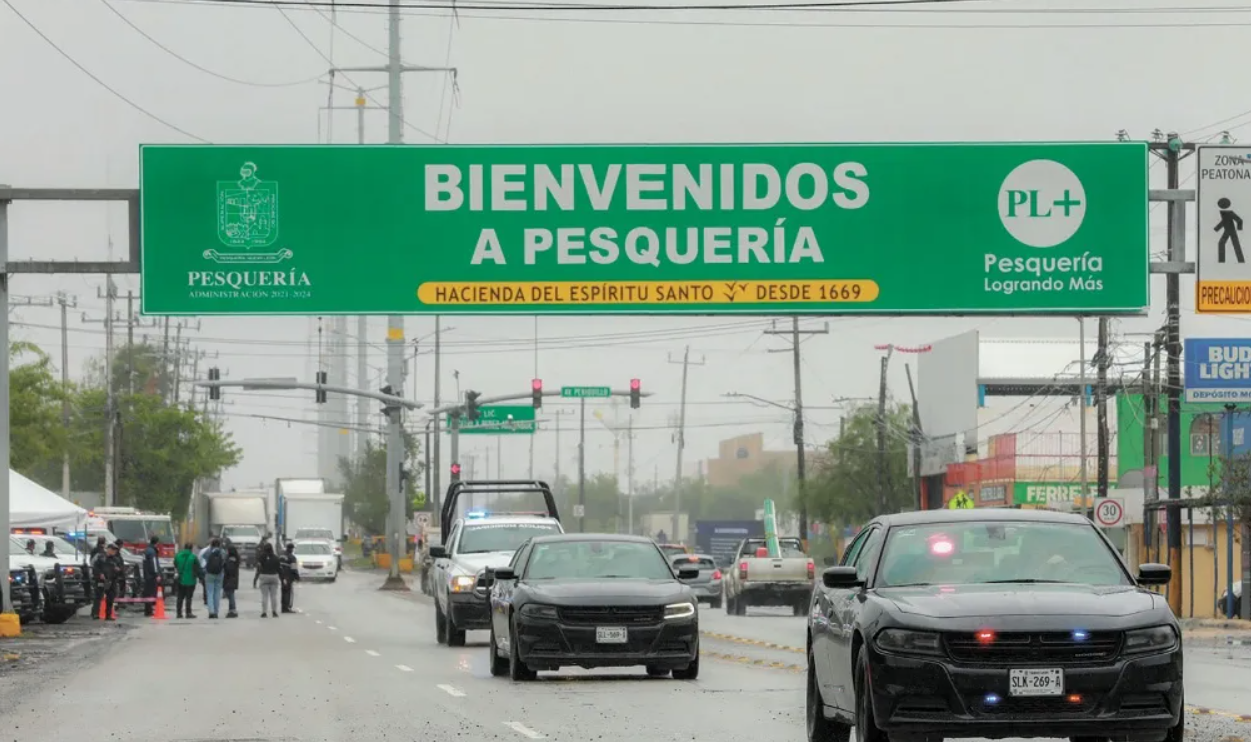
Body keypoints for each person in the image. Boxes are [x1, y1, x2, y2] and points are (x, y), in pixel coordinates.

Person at [91, 543, 122, 622]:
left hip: (112, 580)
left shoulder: (116, 559)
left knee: (110, 598)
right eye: (112, 550)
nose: (113, 552)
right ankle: (95, 614)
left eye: (115, 550)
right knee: (98, 597)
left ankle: (108, 615)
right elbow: (95, 568)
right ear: (108, 549)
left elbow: (121, 570)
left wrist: (118, 570)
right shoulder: (101, 557)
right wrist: (99, 574)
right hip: (101, 580)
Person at [253, 542, 282, 618]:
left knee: (264, 596)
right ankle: (274, 612)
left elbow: (258, 567)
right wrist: (282, 579)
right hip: (274, 576)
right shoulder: (276, 558)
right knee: (273, 596)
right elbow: (279, 569)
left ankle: (264, 612)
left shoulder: (261, 557)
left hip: (264, 576)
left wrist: (256, 578)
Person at [173, 542, 200, 619]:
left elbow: (175, 564)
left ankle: (179, 613)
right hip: (191, 581)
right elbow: (198, 568)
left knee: (180, 597)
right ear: (191, 549)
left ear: (184, 548)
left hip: (180, 580)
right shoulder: (193, 557)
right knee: (189, 597)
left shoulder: (178, 556)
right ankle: (188, 613)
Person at [203, 538, 226, 619]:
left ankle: (211, 612)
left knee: (210, 593)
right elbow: (224, 561)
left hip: (209, 574)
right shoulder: (222, 552)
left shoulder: (209, 551)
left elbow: (204, 557)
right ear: (219, 544)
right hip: (219, 574)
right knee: (217, 593)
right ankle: (216, 612)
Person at [142, 535, 161, 617]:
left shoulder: (146, 550)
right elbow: (154, 564)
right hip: (151, 575)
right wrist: (157, 574)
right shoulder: (152, 552)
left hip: (146, 575)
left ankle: (147, 610)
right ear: (157, 543)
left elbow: (144, 563)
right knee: (151, 593)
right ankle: (149, 611)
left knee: (147, 593)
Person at [279, 541, 300, 614]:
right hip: (289, 576)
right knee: (289, 592)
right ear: (291, 549)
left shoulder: (281, 555)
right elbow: (294, 568)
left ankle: (283, 607)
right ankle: (287, 607)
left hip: (281, 576)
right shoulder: (292, 557)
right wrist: (297, 577)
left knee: (283, 591)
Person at [223, 545, 241, 618]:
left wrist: (224, 565)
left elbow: (229, 569)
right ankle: (231, 609)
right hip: (234, 579)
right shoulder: (236, 558)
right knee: (230, 594)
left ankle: (233, 610)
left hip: (229, 579)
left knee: (230, 594)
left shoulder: (231, 559)